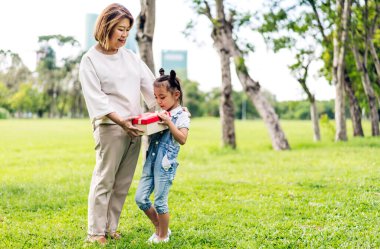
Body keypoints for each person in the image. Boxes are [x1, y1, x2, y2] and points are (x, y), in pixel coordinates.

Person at [78, 3, 157, 245]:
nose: (124, 35)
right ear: (106, 26)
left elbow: (151, 87)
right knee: (105, 180)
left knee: (122, 183)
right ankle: (95, 231)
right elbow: (97, 99)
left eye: (127, 30)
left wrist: (168, 110)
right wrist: (121, 122)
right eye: (119, 29)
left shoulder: (131, 57)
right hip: (110, 127)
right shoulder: (90, 60)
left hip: (135, 126)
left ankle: (111, 227)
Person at [135, 69, 190, 243]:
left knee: (160, 203)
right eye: (156, 97)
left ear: (176, 95)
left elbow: (182, 139)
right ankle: (160, 228)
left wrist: (168, 122)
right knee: (141, 198)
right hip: (150, 163)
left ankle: (163, 235)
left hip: (165, 165)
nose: (158, 101)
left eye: (162, 97)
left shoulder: (182, 116)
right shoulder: (159, 113)